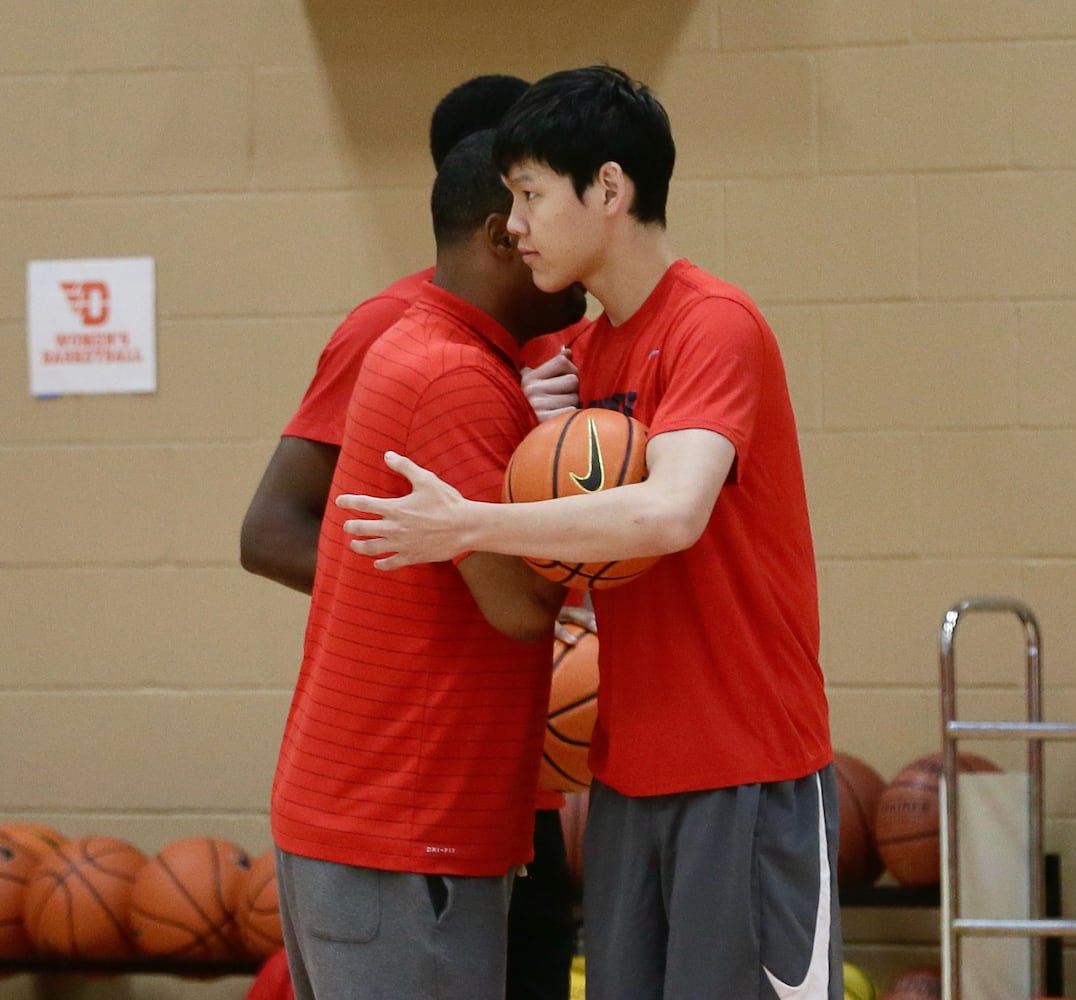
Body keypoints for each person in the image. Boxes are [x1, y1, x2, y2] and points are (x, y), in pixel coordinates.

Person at [335, 66, 841, 1000]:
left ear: (607, 190)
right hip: (623, 780)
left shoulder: (713, 326)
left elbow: (669, 511)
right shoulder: (580, 356)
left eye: (529, 194)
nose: (514, 223)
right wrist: (524, 422)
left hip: (744, 769)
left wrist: (471, 521)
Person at [239, 75, 581, 1000]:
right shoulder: (450, 372)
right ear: (497, 234)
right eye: (551, 217)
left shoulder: (437, 348)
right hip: (404, 822)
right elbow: (519, 607)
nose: (576, 259)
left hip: (386, 817)